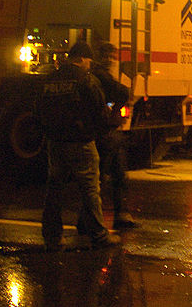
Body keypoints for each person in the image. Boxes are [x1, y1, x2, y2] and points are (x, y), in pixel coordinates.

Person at [36, 40, 120, 250]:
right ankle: (99, 236)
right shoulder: (86, 80)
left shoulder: (49, 79)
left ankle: (52, 236)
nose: (90, 65)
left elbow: (37, 111)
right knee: (90, 188)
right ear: (81, 59)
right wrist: (104, 128)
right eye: (88, 61)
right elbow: (99, 111)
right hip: (81, 142)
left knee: (54, 188)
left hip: (55, 142)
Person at [90, 42, 138, 230]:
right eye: (107, 56)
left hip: (111, 132)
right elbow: (120, 91)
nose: (110, 60)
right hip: (102, 133)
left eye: (112, 56)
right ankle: (92, 221)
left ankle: (120, 214)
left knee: (118, 175)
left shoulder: (102, 75)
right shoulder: (98, 76)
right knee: (100, 177)